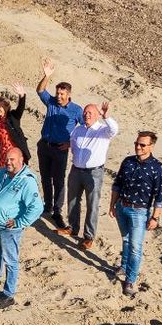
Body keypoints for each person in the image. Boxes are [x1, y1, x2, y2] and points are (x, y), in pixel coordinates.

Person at [0, 147, 43, 307]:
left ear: (21, 161)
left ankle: (9, 294)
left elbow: (37, 207)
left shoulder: (27, 181)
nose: (8, 162)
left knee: (10, 260)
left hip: (9, 229)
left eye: (12, 159)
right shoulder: (4, 172)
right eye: (7, 159)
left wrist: (20, 222)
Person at [111, 131, 162, 297]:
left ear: (151, 146)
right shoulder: (128, 162)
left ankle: (130, 279)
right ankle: (124, 265)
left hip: (140, 211)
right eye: (136, 143)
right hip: (122, 206)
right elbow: (117, 184)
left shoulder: (158, 169)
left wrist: (155, 217)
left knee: (136, 247)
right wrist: (112, 204)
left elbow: (160, 196)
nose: (138, 147)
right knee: (126, 239)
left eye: (142, 145)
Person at [35, 58, 85, 230]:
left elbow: (84, 129)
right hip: (44, 145)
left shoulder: (76, 110)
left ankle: (57, 211)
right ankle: (47, 205)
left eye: (62, 94)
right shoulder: (51, 102)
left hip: (60, 150)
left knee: (59, 181)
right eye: (57, 93)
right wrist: (47, 75)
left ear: (68, 95)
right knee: (45, 178)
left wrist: (70, 144)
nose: (58, 96)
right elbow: (40, 90)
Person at [64, 102, 119, 249]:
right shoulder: (78, 129)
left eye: (90, 113)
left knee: (92, 204)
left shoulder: (103, 130)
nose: (86, 115)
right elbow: (73, 144)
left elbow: (114, 129)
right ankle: (73, 228)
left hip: (94, 172)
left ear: (97, 115)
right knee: (72, 200)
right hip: (76, 169)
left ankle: (89, 236)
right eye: (85, 113)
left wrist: (107, 116)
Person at [0, 83, 31, 170]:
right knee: (4, 179)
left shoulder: (13, 117)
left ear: (7, 107)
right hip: (3, 156)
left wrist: (22, 95)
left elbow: (20, 108)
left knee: (16, 178)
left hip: (15, 155)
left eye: (1, 106)